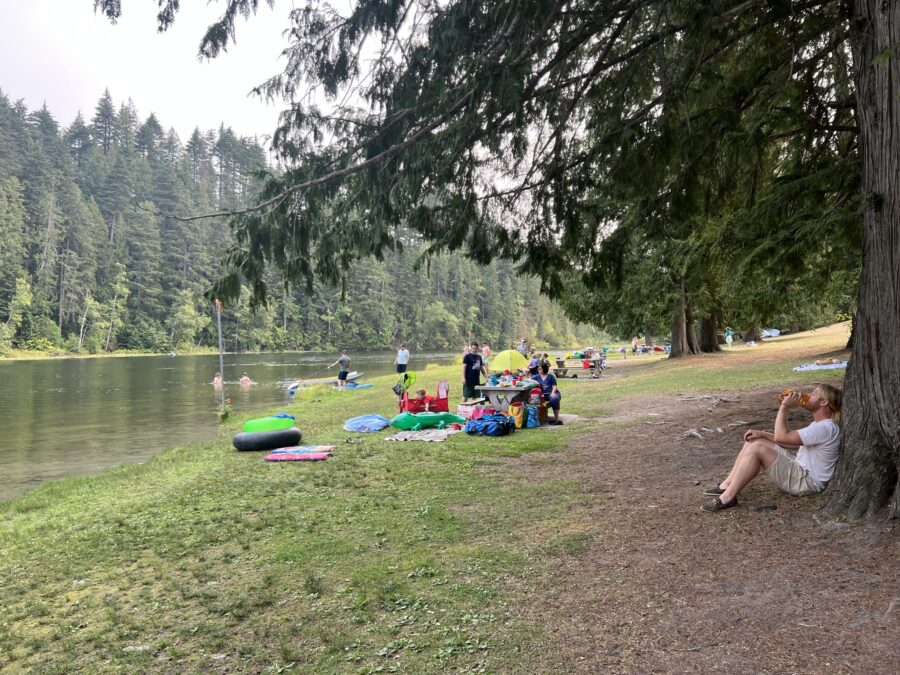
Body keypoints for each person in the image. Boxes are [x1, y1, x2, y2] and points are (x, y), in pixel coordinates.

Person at [701, 384, 843, 512]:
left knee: (757, 448)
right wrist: (761, 434)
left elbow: (782, 437)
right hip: (800, 470)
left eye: (813, 393)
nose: (808, 395)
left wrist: (784, 407)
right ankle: (726, 485)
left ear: (823, 402)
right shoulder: (820, 425)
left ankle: (728, 497)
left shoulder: (825, 427)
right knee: (754, 440)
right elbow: (790, 443)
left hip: (807, 482)